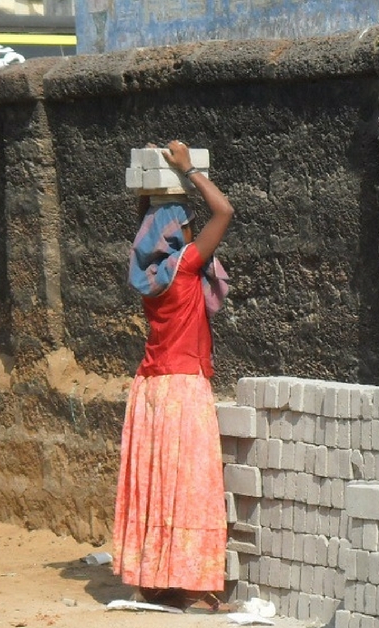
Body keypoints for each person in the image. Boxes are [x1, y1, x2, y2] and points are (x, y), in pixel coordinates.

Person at [111, 140, 236, 613]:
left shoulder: (150, 275)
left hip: (150, 389)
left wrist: (153, 191)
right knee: (189, 485)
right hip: (184, 387)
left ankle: (155, 580)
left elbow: (151, 224)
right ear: (172, 236)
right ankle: (193, 584)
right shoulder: (184, 267)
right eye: (182, 226)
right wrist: (189, 172)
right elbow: (224, 212)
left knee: (157, 485)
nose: (189, 231)